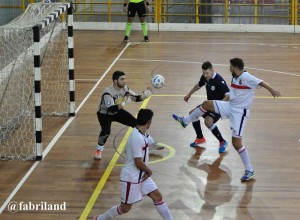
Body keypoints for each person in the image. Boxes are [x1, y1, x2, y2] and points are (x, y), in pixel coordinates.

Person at [172, 58, 281, 181]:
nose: (228, 68)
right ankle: (185, 121)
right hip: (230, 106)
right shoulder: (235, 76)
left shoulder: (246, 77)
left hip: (240, 112)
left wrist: (272, 90)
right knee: (206, 103)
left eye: (230, 66)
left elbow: (261, 82)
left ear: (234, 67)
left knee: (236, 144)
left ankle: (249, 170)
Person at [93, 109, 173, 220]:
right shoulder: (137, 137)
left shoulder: (142, 134)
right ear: (149, 122)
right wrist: (149, 171)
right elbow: (138, 162)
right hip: (132, 178)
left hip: (142, 176)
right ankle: (100, 218)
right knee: (124, 208)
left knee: (157, 196)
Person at [95, 70, 164, 160]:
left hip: (118, 112)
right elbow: (111, 108)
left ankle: (151, 144)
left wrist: (144, 96)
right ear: (115, 81)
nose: (124, 81)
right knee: (106, 131)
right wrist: (124, 103)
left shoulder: (125, 89)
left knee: (137, 124)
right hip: (104, 114)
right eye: (122, 79)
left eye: (125, 79)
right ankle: (99, 150)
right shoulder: (108, 92)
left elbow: (135, 97)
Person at [184, 61, 229, 153]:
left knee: (208, 122)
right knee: (192, 113)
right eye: (203, 73)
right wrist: (189, 94)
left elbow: (228, 95)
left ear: (212, 70)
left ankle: (222, 141)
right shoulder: (205, 77)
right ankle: (200, 138)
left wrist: (220, 106)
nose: (205, 75)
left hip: (218, 106)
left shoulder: (218, 80)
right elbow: (198, 85)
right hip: (208, 104)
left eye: (207, 73)